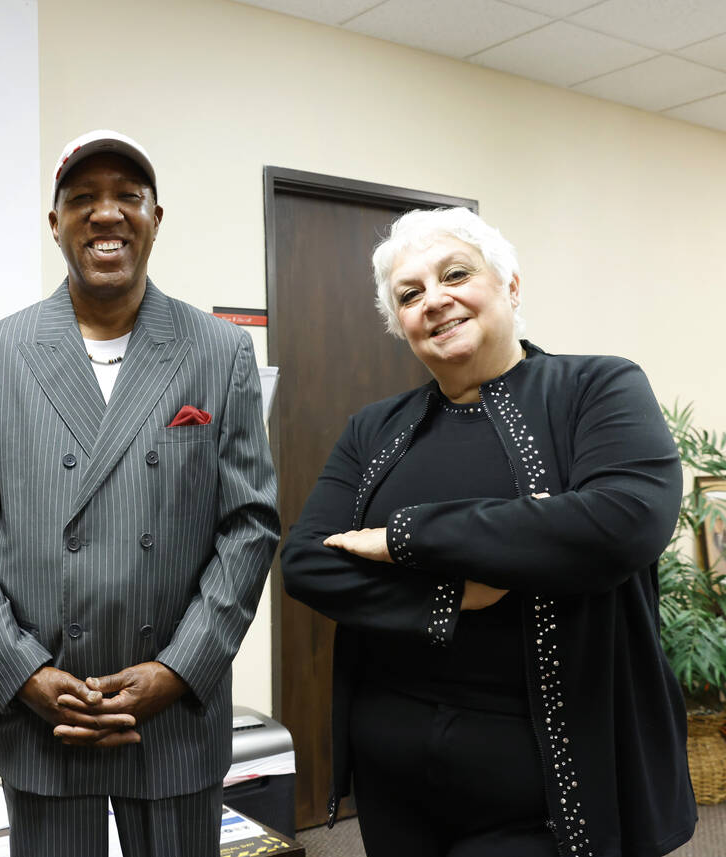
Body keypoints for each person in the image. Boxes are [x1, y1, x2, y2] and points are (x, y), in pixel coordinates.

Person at [281, 207, 696, 857]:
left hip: (549, 783)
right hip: (393, 775)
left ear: (511, 285)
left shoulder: (598, 386)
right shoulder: (373, 427)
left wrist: (398, 538)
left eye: (455, 275)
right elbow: (307, 563)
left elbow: (621, 522)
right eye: (409, 295)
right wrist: (454, 592)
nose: (433, 301)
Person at [0, 129, 280, 857]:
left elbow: (249, 526)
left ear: (156, 217)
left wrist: (179, 668)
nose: (106, 213)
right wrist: (24, 672)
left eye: (128, 196)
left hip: (176, 708)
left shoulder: (219, 351)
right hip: (46, 712)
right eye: (83, 198)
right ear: (55, 221)